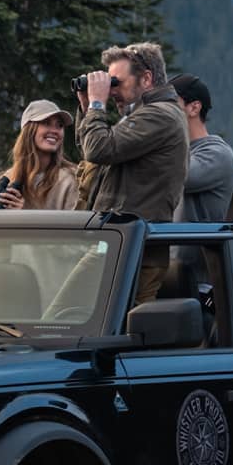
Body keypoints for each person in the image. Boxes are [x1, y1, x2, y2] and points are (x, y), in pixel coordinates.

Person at [77, 42, 189, 302]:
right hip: (118, 245)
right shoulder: (147, 115)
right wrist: (87, 109)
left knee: (75, 317)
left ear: (147, 78)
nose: (111, 91)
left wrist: (96, 104)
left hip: (134, 250)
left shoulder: (160, 116)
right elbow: (93, 153)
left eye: (116, 82)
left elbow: (98, 149)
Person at [169, 73, 233, 222]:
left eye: (171, 105)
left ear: (194, 108)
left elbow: (168, 176)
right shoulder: (178, 152)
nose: (162, 113)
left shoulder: (217, 155)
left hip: (193, 245)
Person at [0, 100, 78, 210]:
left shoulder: (70, 179)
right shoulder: (9, 177)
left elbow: (74, 226)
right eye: (46, 123)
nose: (55, 130)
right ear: (29, 130)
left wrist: (24, 214)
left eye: (60, 125)